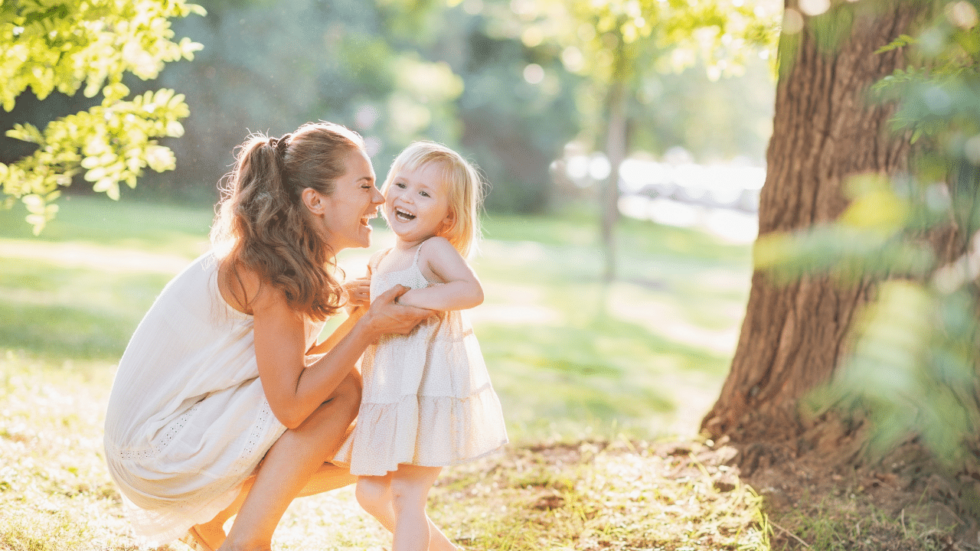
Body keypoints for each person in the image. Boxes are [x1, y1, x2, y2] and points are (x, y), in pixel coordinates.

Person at [103, 122, 433, 551]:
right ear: (315, 200)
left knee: (369, 433)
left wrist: (357, 315)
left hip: (157, 442)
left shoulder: (283, 258)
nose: (380, 198)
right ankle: (248, 539)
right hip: (155, 451)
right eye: (365, 185)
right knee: (346, 390)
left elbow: (290, 368)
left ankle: (215, 518)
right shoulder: (269, 271)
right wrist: (368, 329)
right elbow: (294, 405)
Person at [332, 141, 508, 551]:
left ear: (448, 216)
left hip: (428, 393)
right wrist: (361, 296)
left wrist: (410, 299)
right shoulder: (384, 258)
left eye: (423, 193)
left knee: (406, 497)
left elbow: (470, 290)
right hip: (392, 394)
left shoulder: (434, 250)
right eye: (401, 184)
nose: (405, 198)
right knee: (371, 494)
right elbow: (377, 312)